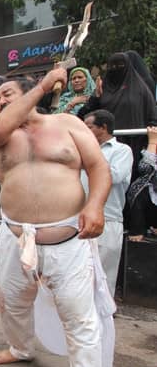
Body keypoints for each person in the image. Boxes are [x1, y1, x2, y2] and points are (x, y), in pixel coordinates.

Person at [0, 69, 113, 367]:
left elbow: (98, 167)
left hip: (68, 240)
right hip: (16, 237)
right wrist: (43, 84)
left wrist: (95, 205)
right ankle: (21, 348)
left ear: (29, 94)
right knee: (12, 301)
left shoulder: (68, 124)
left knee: (80, 320)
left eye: (7, 94)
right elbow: (0, 127)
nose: (1, 101)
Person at [78, 52, 157, 172]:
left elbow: (152, 117)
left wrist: (150, 142)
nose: (116, 69)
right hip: (106, 144)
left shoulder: (141, 89)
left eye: (120, 65)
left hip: (135, 143)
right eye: (112, 66)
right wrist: (95, 98)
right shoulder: (103, 89)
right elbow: (82, 116)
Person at [82, 110, 133, 297]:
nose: (84, 131)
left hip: (107, 219)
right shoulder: (82, 150)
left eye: (89, 127)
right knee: (79, 272)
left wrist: (91, 158)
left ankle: (103, 311)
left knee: (103, 274)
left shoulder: (122, 151)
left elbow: (115, 176)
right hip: (79, 218)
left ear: (103, 128)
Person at [126, 126, 157, 242]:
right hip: (150, 191)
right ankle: (138, 229)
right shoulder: (149, 142)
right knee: (140, 189)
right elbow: (145, 168)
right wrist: (153, 142)